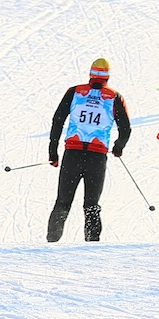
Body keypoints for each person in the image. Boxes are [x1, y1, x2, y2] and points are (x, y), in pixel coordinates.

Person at [46, 58, 132, 243]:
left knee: (62, 202)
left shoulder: (75, 92)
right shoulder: (114, 97)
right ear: (107, 76)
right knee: (91, 205)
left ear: (91, 73)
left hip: (72, 155)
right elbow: (125, 129)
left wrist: (53, 152)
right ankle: (91, 248)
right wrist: (118, 147)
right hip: (97, 157)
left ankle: (51, 245)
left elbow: (58, 120)